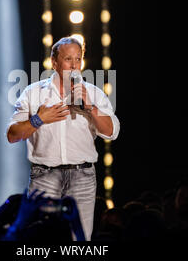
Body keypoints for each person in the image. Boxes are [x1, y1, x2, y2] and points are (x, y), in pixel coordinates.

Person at [6, 36, 120, 240]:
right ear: (54, 62)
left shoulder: (93, 93)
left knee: (79, 240)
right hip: (45, 176)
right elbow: (12, 135)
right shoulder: (33, 93)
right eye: (68, 59)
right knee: (40, 238)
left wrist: (91, 107)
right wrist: (38, 120)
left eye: (78, 59)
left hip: (82, 177)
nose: (74, 65)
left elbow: (112, 132)